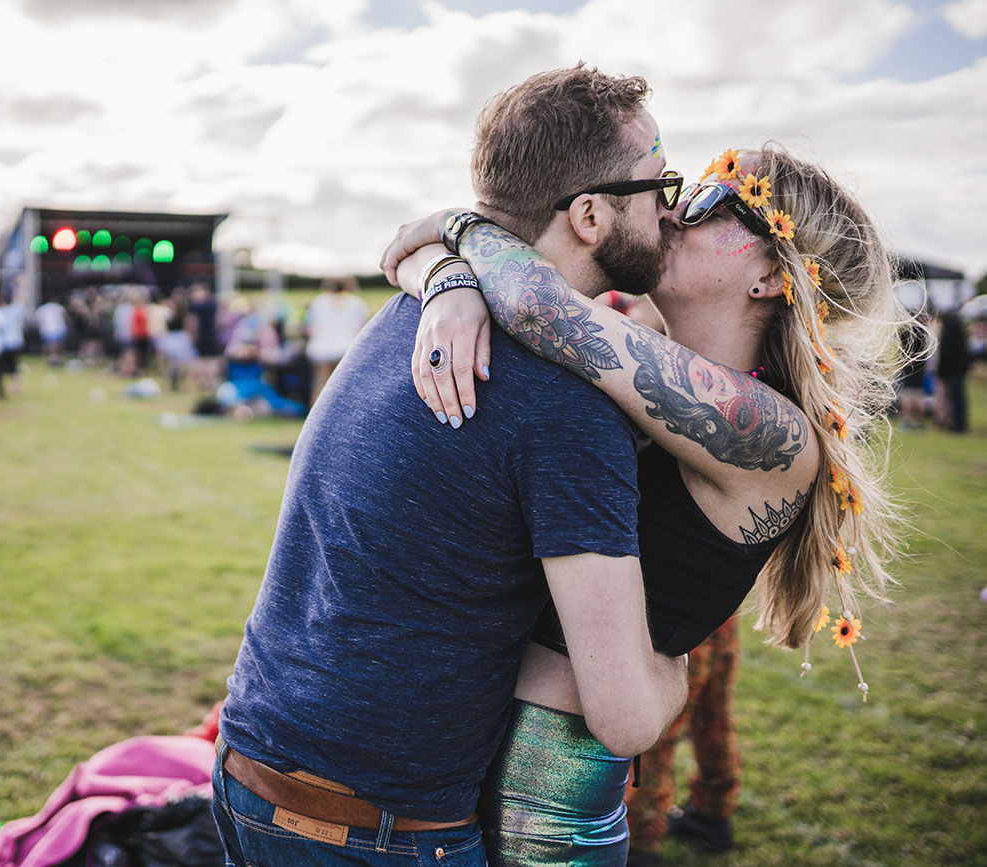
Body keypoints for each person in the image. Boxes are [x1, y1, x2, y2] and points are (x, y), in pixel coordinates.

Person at [381, 135, 913, 863]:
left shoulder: (772, 434)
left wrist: (462, 228)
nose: (671, 212)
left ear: (767, 273)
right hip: (458, 777)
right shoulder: (640, 359)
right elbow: (437, 267)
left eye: (711, 200)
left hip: (544, 813)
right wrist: (447, 273)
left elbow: (533, 303)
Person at [214, 66, 689, 867]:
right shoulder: (565, 406)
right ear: (590, 214)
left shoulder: (409, 311)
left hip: (250, 765)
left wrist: (444, 265)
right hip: (377, 828)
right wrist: (676, 661)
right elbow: (625, 717)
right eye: (658, 182)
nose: (671, 205)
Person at [624, 617, 741, 867]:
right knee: (714, 709)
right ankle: (713, 812)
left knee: (662, 722)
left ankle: (639, 838)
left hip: (686, 610)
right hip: (722, 605)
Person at [303, 275, 369, 406]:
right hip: (347, 349)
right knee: (346, 387)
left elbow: (309, 329)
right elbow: (361, 329)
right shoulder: (357, 303)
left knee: (321, 386)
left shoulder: (318, 302)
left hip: (321, 350)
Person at [34, 298, 68, 365]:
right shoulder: (59, 307)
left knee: (48, 346)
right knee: (59, 345)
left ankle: (48, 360)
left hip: (46, 329)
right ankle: (59, 360)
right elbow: (65, 316)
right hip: (59, 328)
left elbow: (37, 321)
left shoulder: (41, 309)